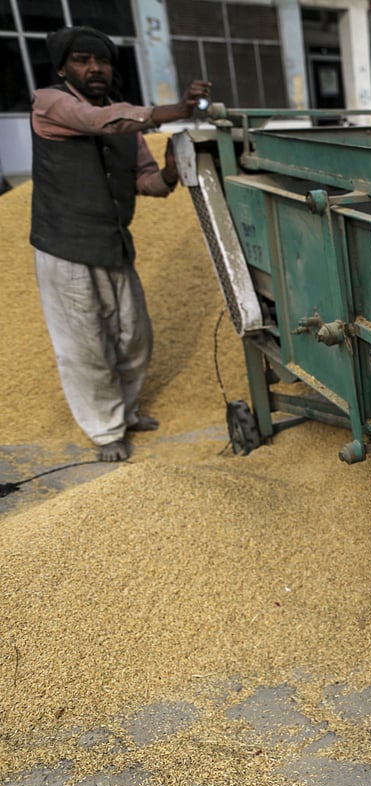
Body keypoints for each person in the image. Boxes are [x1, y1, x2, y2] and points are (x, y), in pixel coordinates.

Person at [29, 26, 211, 462]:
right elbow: (95, 122)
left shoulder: (125, 120)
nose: (95, 68)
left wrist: (169, 173)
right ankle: (106, 430)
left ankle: (126, 412)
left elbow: (145, 182)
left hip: (112, 242)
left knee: (133, 337)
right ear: (62, 68)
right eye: (82, 60)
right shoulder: (49, 103)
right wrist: (176, 109)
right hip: (65, 244)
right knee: (84, 343)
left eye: (103, 60)